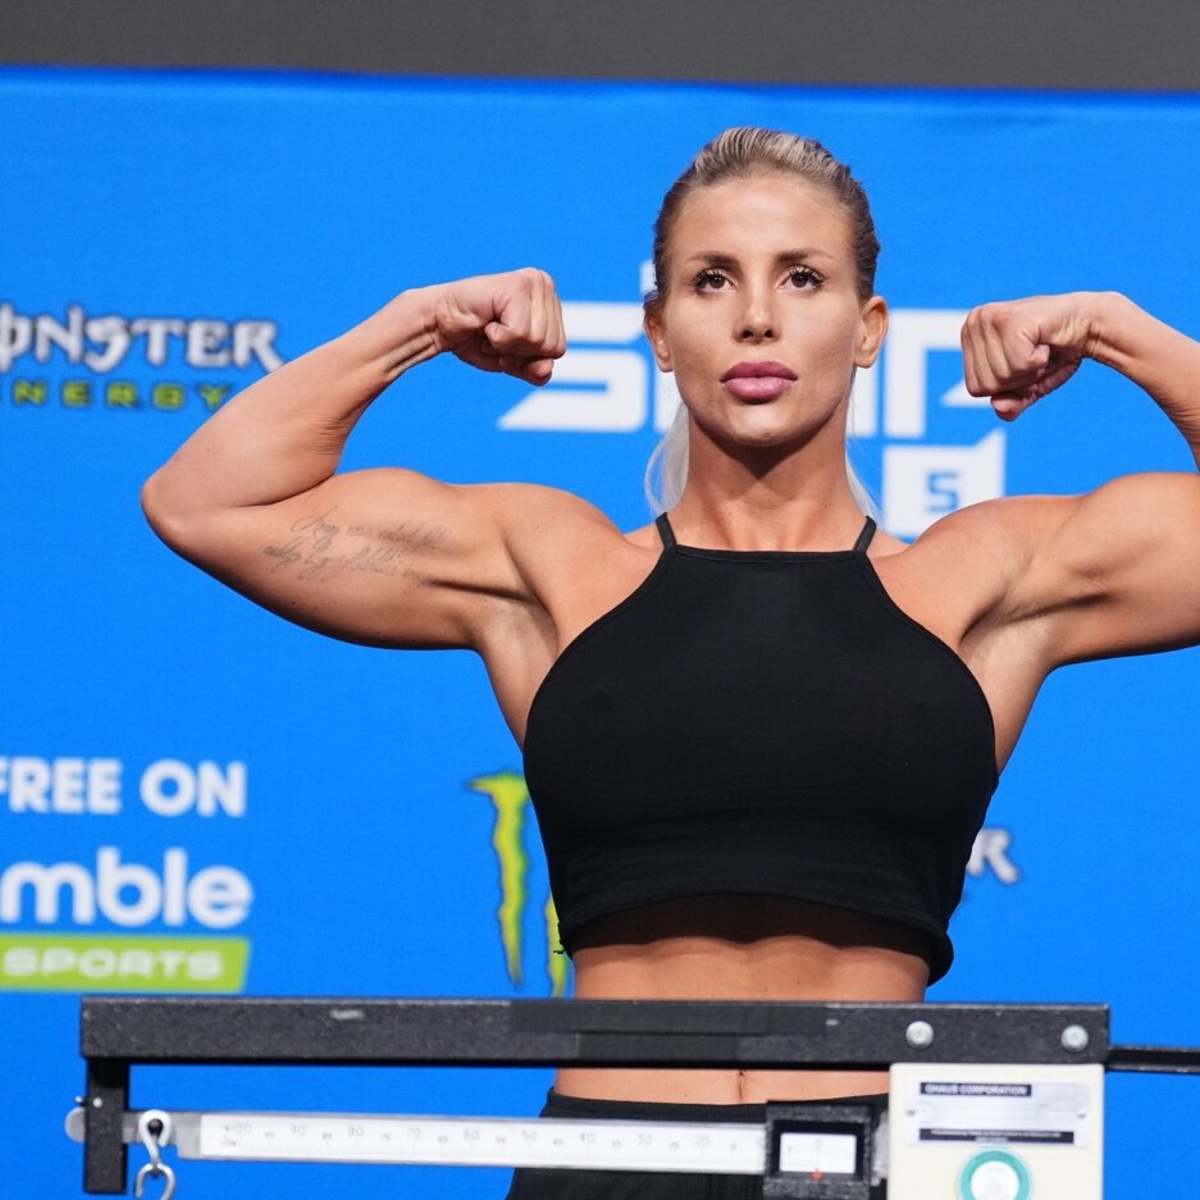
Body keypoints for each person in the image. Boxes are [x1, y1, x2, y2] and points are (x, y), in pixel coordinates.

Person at [140, 126, 1200, 1198]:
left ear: (869, 328)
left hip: (883, 1163)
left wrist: (1117, 327)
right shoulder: (555, 573)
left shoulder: (979, 585)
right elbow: (205, 503)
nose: (757, 316)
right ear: (657, 329)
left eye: (802, 277)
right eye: (711, 279)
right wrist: (419, 323)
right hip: (612, 1162)